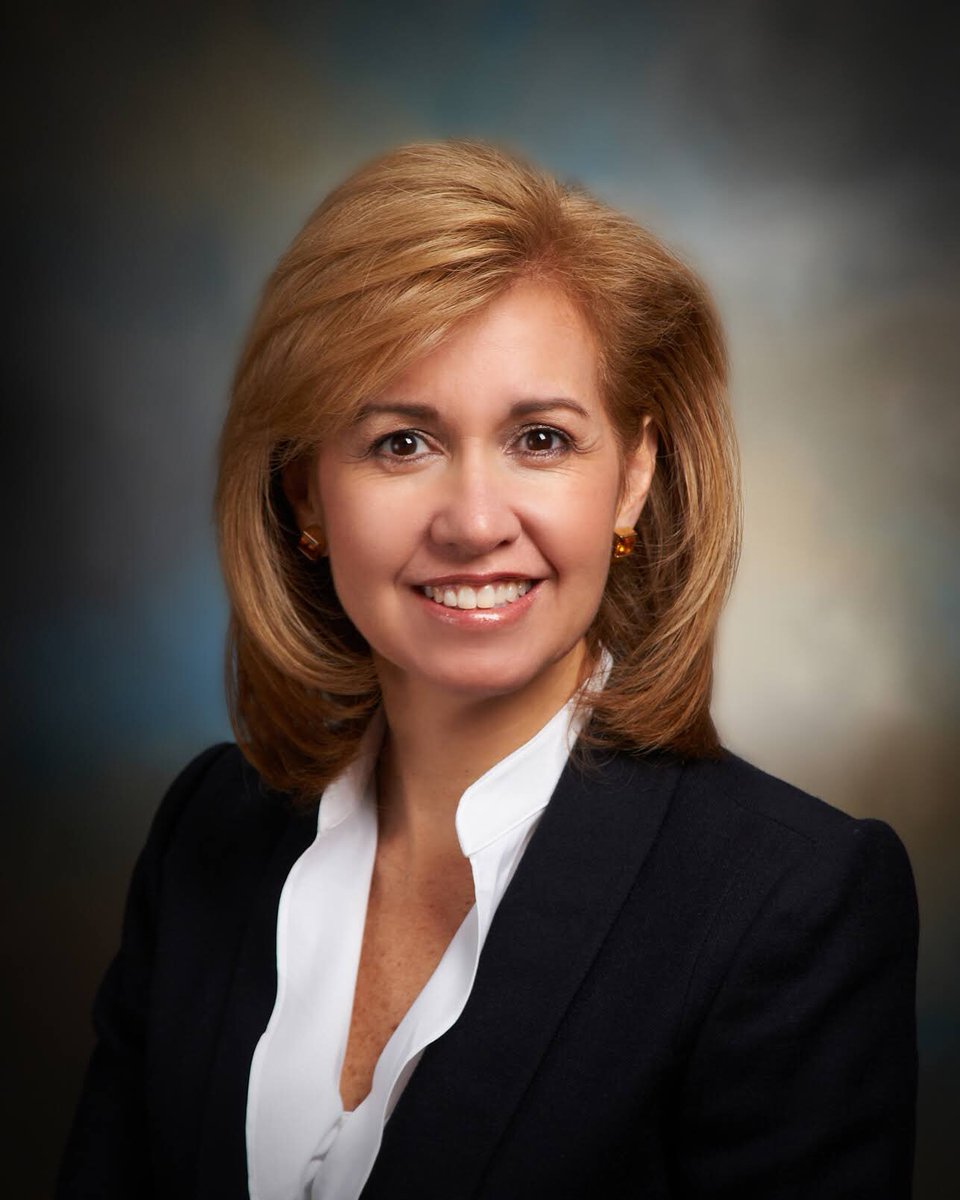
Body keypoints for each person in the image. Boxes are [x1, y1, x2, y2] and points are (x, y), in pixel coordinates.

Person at [57, 141, 918, 1199]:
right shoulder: (208, 828)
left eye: (541, 439)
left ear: (633, 478)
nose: (472, 523)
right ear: (304, 494)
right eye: (401, 444)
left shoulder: (790, 901)